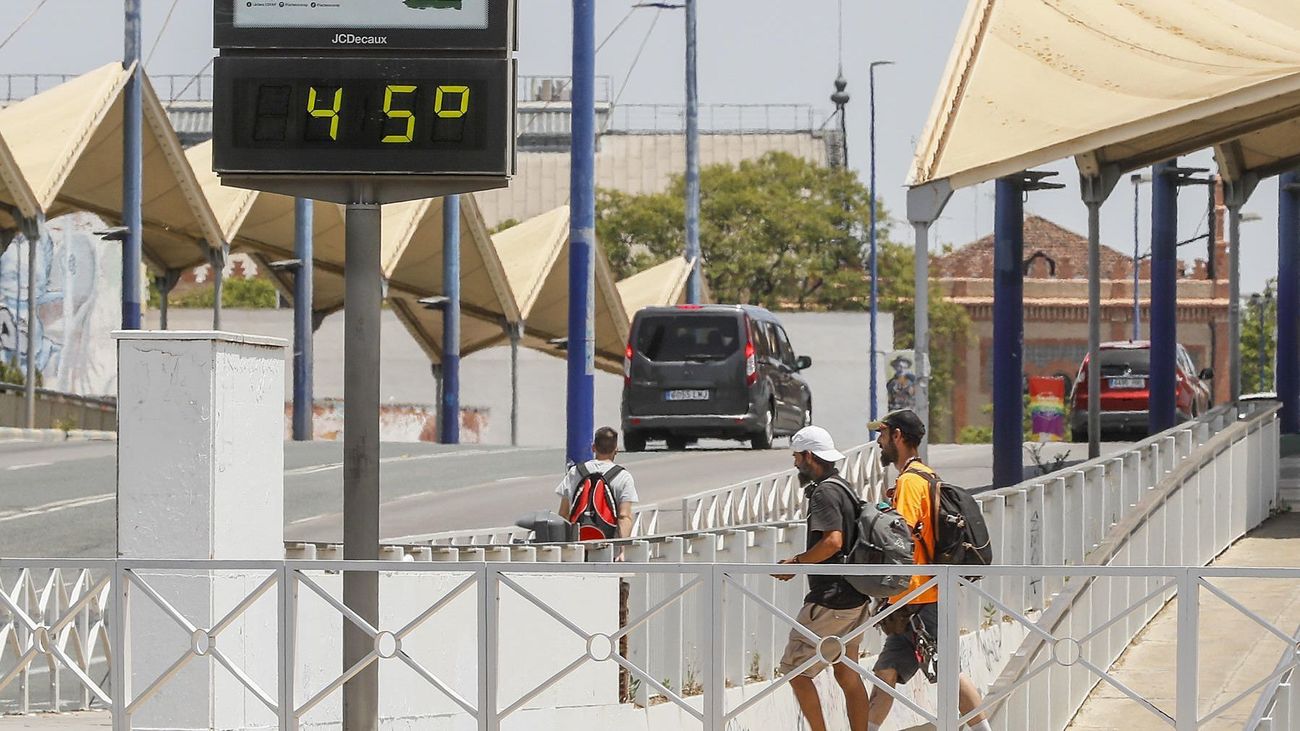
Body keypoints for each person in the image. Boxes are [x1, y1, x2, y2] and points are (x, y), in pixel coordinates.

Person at [865, 409, 991, 731]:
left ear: (898, 436)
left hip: (921, 595)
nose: (879, 441)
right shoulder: (926, 475)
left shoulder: (910, 481)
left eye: (882, 434)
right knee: (887, 671)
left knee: (949, 671)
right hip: (912, 597)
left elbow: (899, 534)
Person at [774, 425, 871, 731]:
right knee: (846, 672)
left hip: (832, 600)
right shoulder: (843, 487)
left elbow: (833, 541)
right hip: (855, 597)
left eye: (797, 456)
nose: (795, 464)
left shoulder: (824, 492)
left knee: (795, 671)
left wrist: (796, 563)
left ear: (809, 456)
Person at [556, 426, 639, 539]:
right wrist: (622, 549)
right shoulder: (623, 476)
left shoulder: (575, 472)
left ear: (593, 448)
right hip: (608, 544)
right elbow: (624, 516)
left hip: (578, 542)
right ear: (616, 449)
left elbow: (564, 513)